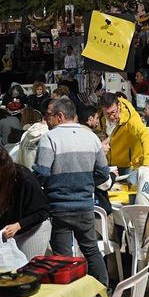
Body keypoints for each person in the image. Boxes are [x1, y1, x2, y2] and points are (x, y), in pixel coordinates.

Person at [33, 97, 113, 286]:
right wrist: (87, 184)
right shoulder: (91, 137)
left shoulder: (49, 138)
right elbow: (103, 172)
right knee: (92, 251)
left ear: (60, 116)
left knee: (63, 259)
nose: (47, 120)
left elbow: (41, 173)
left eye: (49, 115)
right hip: (85, 205)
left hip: (59, 206)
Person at [100, 92, 149, 178]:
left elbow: (147, 136)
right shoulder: (102, 116)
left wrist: (146, 164)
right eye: (107, 114)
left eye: (113, 112)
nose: (111, 117)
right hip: (111, 165)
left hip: (129, 167)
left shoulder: (132, 119)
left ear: (118, 106)